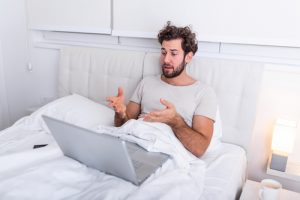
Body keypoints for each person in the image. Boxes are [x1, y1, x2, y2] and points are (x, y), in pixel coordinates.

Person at [106, 22, 217, 157]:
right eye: (163, 52)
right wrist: (120, 113)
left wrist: (175, 121)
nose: (166, 60)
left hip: (163, 152)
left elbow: (200, 148)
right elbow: (123, 126)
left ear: (188, 57)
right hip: (132, 143)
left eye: (174, 53)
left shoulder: (204, 92)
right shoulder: (147, 82)